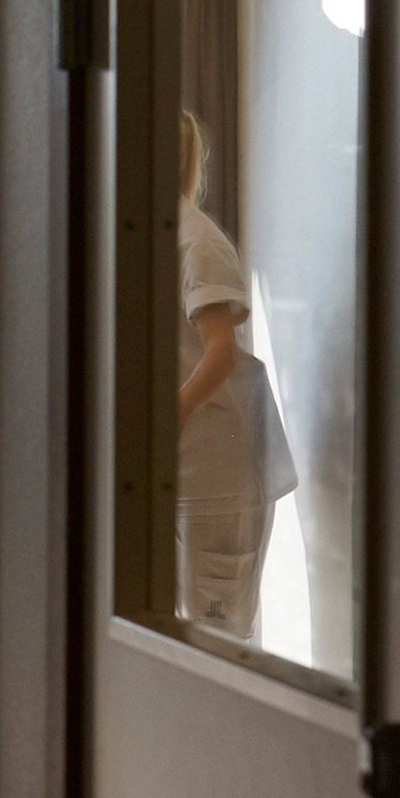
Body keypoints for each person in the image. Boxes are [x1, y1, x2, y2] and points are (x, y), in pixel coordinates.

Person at [176, 109, 296, 635]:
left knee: (213, 641)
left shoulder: (197, 242)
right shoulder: (141, 238)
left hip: (216, 474)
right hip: (178, 469)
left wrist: (167, 418)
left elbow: (220, 352)